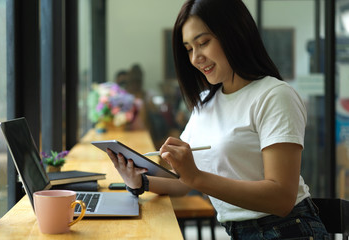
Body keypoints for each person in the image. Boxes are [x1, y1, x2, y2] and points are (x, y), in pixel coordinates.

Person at [106, 0, 330, 239]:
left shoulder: (274, 95)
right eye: (189, 49)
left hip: (288, 230)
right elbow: (184, 183)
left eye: (203, 43)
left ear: (235, 34)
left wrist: (197, 177)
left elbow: (282, 198)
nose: (195, 58)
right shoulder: (205, 102)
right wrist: (140, 182)